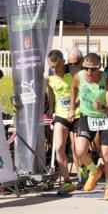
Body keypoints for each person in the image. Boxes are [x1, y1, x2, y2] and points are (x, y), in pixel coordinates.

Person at [67, 53, 108, 200]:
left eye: (93, 69)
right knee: (80, 150)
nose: (89, 72)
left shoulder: (107, 79)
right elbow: (73, 89)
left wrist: (102, 107)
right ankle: (94, 171)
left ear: (99, 67)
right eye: (86, 68)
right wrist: (71, 108)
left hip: (105, 117)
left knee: (107, 155)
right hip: (86, 115)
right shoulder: (79, 76)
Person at [46, 50, 78, 191]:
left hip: (77, 113)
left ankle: (84, 175)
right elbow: (50, 91)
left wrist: (73, 105)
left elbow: (82, 90)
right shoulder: (48, 75)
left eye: (58, 67)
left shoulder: (72, 72)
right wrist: (51, 108)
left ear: (63, 62)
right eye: (52, 67)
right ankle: (67, 181)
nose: (55, 70)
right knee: (58, 147)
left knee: (77, 149)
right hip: (60, 114)